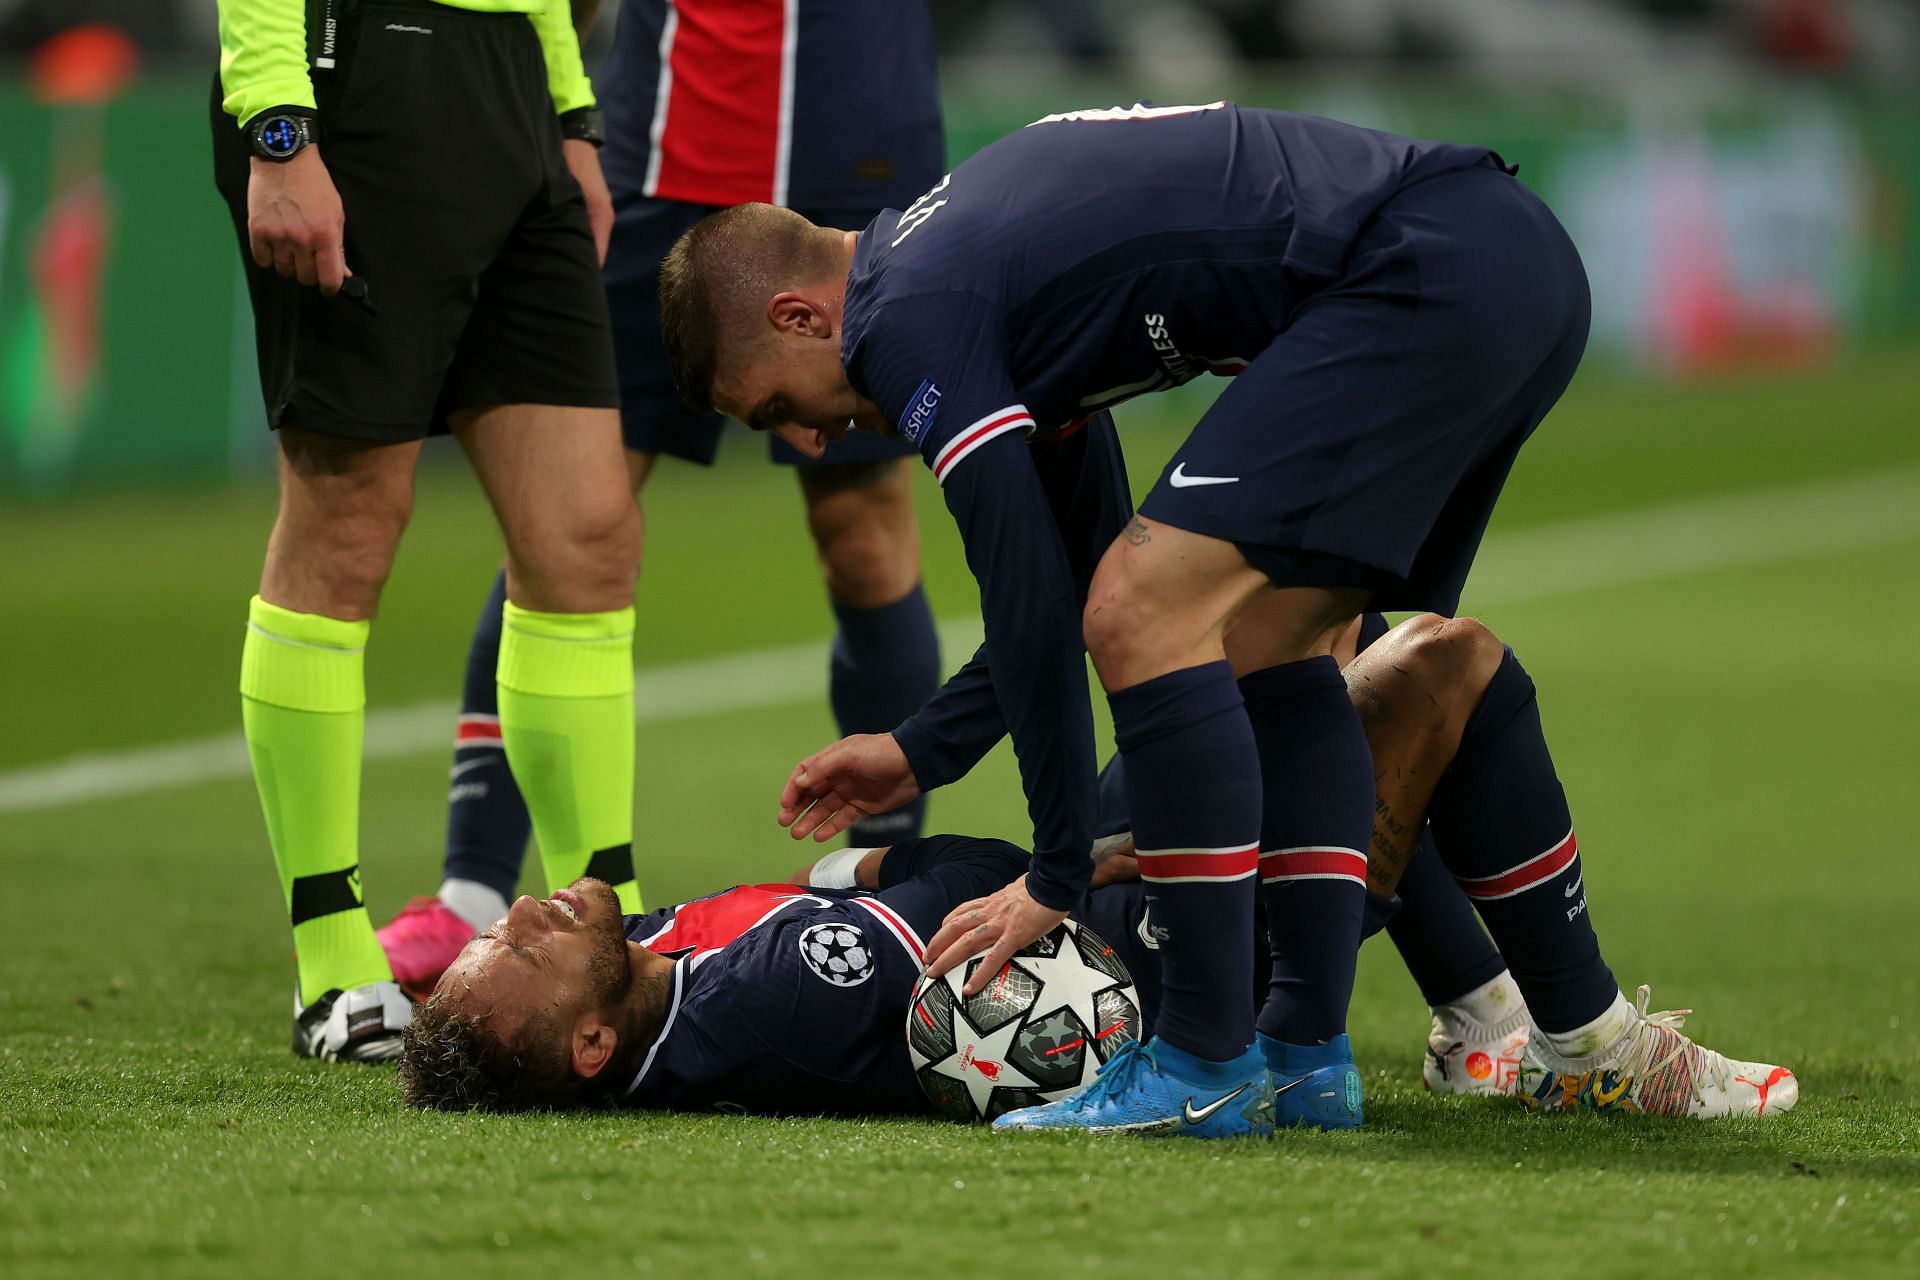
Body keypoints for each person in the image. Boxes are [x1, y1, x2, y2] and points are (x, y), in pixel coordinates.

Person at [658, 101, 1592, 1134]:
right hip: (1492, 257)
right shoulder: (972, 292)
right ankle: (1305, 1057)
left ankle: (1201, 1061)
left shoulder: (904, 313)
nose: (809, 441)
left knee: (1150, 606)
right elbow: (1056, 588)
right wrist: (924, 749)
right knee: (1263, 630)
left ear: (799, 316)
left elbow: (1040, 597)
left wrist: (1052, 875)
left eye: (775, 410)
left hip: (1426, 267)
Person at [399, 616, 1795, 1122]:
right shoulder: (772, 992)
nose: (523, 909)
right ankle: (1589, 1044)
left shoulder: (651, 985)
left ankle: (1487, 1028)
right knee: (1444, 669)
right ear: (588, 1047)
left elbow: (905, 883)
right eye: (523, 948)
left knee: (1311, 624)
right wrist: (1149, 842)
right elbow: (985, 905)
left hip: (1110, 902)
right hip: (1169, 951)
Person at [376, 0, 952, 980]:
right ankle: (472, 888)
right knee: (559, 517)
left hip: (854, 132)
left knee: (861, 527)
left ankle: (885, 885)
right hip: (660, 148)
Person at [213, 0, 640, 1061]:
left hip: (516, 91)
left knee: (586, 534)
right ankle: (331, 956)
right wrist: (278, 126)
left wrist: (572, 117)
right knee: (349, 521)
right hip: (358, 67)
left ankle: (618, 928)